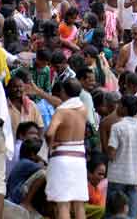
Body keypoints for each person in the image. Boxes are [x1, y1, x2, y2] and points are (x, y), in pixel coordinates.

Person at [45, 78, 89, 219]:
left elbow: (49, 133)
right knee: (79, 203)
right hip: (79, 158)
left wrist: (50, 145)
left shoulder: (61, 111)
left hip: (62, 157)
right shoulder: (83, 109)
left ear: (63, 92)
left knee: (63, 203)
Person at [107, 95, 137, 219]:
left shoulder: (117, 127)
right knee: (132, 213)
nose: (117, 107)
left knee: (113, 214)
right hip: (134, 178)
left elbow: (111, 153)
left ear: (124, 108)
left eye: (119, 105)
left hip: (116, 177)